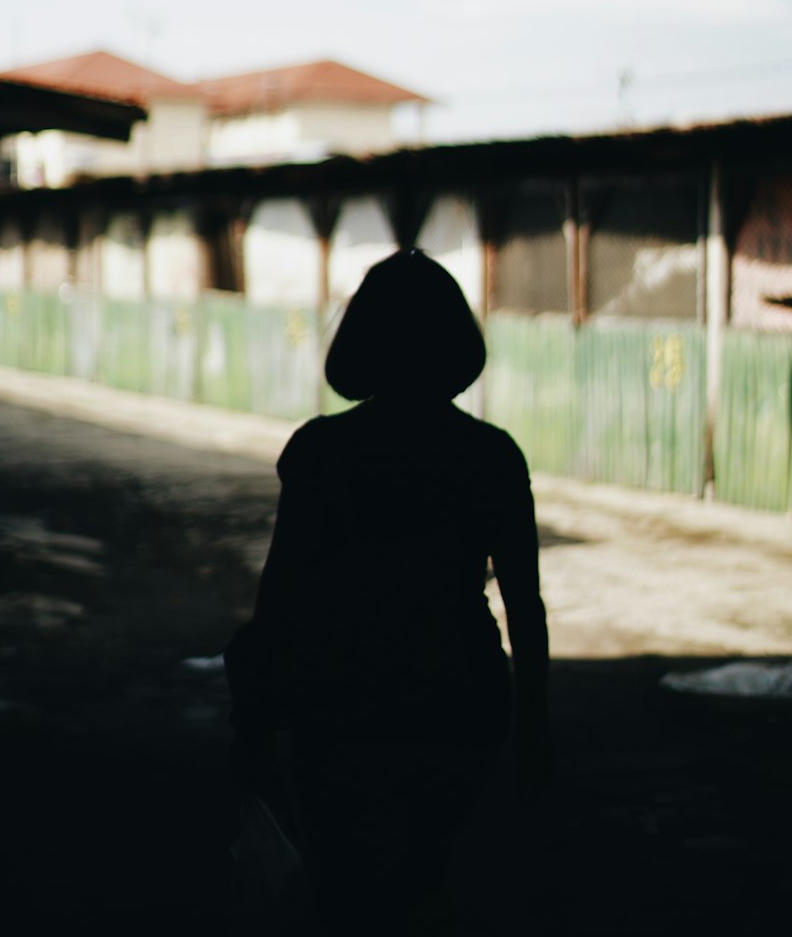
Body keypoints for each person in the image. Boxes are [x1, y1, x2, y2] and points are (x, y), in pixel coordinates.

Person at [225, 248, 552, 934]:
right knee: (430, 885)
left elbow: (281, 596)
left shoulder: (319, 452)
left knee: (347, 894)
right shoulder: (492, 456)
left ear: (363, 343)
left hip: (340, 703)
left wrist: (255, 712)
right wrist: (536, 731)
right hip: (460, 698)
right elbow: (525, 605)